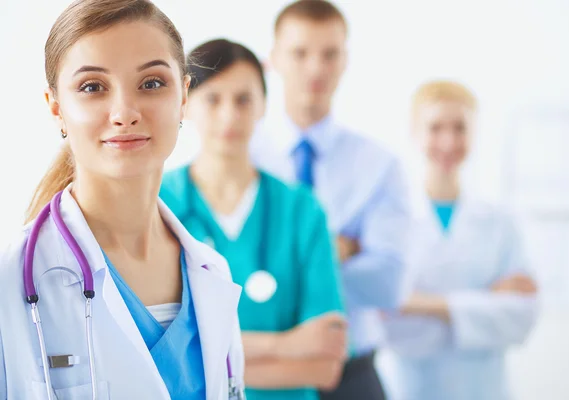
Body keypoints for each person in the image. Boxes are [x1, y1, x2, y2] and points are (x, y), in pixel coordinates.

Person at [0, 1, 246, 399]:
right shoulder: (11, 280)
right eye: (92, 87)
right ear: (56, 108)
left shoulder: (211, 273)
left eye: (151, 83)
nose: (125, 112)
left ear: (183, 96)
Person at [160, 38, 347, 400]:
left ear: (263, 105)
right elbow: (156, 355)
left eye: (243, 100)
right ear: (185, 105)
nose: (229, 115)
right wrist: (288, 344)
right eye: (213, 99)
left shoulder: (300, 209)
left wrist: (208, 352)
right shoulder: (159, 204)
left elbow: (325, 365)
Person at [250, 1, 410, 399]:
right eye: (300, 53)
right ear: (273, 60)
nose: (316, 68)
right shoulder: (244, 158)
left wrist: (279, 263)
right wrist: (337, 248)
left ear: (345, 61)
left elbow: (389, 284)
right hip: (263, 374)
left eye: (329, 54)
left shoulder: (379, 164)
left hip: (352, 377)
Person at [380, 80, 539, 400]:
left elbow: (521, 317)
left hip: (486, 389)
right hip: (413, 388)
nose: (449, 141)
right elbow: (388, 322)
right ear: (414, 132)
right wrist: (482, 302)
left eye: (460, 128)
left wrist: (423, 303)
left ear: (475, 133)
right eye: (435, 127)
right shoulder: (391, 221)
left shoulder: (499, 222)